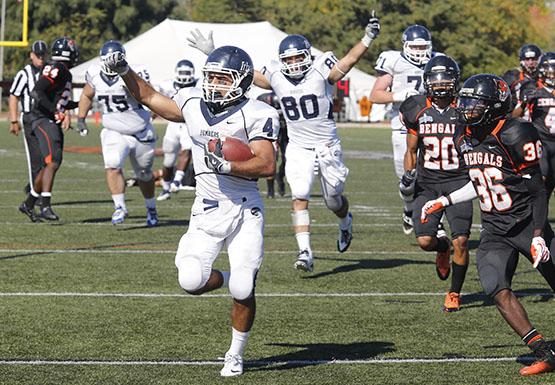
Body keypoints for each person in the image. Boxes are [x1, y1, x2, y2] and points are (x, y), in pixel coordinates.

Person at [102, 45, 279, 377]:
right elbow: (152, 98)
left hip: (244, 209)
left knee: (243, 288)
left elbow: (267, 164)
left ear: (241, 82)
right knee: (191, 280)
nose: (213, 83)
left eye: (221, 78)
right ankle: (230, 278)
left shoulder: (259, 112)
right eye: (210, 75)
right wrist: (125, 70)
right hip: (206, 209)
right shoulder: (194, 103)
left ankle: (235, 353)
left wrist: (229, 164)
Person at [188, 12, 380, 272]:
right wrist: (213, 52)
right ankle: (305, 252)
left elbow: (348, 60)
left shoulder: (321, 72)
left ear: (307, 57)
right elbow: (247, 74)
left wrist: (367, 38)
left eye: (297, 58)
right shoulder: (276, 76)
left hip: (326, 145)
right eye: (287, 59)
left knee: (333, 200)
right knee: (299, 196)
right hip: (299, 146)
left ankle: (345, 221)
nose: (292, 63)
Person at [421, 74, 555, 376]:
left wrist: (538, 235)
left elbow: (537, 189)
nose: (466, 108)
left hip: (525, 223)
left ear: (494, 107)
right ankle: (544, 353)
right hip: (495, 229)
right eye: (465, 101)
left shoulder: (515, 133)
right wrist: (445, 201)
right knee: (495, 286)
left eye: (474, 103)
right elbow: (480, 180)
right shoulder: (463, 135)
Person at [399, 55, 471, 312]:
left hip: (459, 181)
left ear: (456, 81)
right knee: (425, 242)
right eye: (435, 79)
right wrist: (408, 176)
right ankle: (442, 248)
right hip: (428, 183)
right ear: (426, 81)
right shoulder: (415, 108)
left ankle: (454, 292)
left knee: (461, 241)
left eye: (446, 79)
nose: (441, 85)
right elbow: (411, 149)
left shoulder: (465, 107)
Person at [77, 40, 158, 227]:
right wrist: (81, 118)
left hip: (140, 131)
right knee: (112, 166)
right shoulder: (94, 73)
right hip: (113, 130)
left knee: (145, 174)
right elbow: (86, 95)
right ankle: (120, 206)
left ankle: (151, 208)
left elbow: (150, 95)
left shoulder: (135, 72)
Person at [370, 24, 440, 235]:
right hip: (402, 125)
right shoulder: (394, 61)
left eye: (423, 47)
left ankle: (436, 220)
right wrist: (399, 96)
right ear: (406, 46)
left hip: (432, 124)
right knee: (407, 180)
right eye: (415, 47)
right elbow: (375, 95)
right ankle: (409, 210)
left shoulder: (437, 60)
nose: (420, 52)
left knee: (435, 175)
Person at [18, 37, 79, 222]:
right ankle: (45, 206)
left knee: (51, 163)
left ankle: (28, 204)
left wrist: (79, 104)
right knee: (52, 161)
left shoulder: (64, 72)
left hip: (48, 117)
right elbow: (37, 91)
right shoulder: (58, 68)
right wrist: (54, 111)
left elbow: (60, 101)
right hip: (41, 118)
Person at [9, 40, 47, 196]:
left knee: (50, 159)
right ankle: (35, 195)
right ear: (32, 55)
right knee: (36, 158)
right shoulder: (24, 74)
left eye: (43, 56)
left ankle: (34, 187)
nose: (41, 59)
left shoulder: (49, 71)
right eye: (38, 56)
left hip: (46, 118)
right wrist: (13, 120)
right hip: (30, 118)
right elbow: (14, 96)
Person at [156, 59, 197, 201]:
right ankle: (166, 189)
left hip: (188, 124)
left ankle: (177, 180)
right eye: (182, 72)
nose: (185, 75)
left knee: (187, 149)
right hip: (173, 125)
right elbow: (158, 102)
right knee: (168, 161)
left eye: (187, 72)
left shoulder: (199, 85)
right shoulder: (166, 85)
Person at [520, 52, 555, 207]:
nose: (551, 72)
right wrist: (524, 102)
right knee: (542, 178)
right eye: (547, 68)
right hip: (541, 140)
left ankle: (542, 220)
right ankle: (531, 213)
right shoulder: (531, 86)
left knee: (550, 185)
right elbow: (515, 115)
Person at [256, 91, 288, 198]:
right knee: (271, 159)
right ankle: (271, 191)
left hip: (286, 131)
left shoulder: (288, 96)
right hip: (271, 132)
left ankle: (280, 177)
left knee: (287, 159)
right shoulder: (263, 98)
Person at [502, 44, 542, 118]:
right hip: (517, 120)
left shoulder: (544, 79)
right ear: (522, 60)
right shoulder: (513, 76)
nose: (531, 62)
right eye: (527, 59)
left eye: (534, 59)